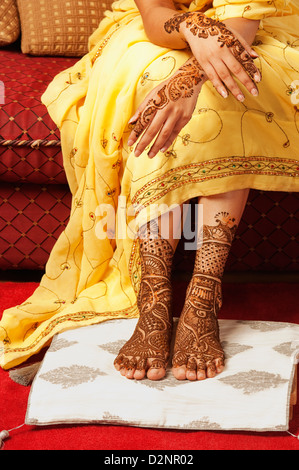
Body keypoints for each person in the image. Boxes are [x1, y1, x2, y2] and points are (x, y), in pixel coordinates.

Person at [0, 0, 298, 383]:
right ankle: (153, 300)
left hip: (262, 29)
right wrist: (193, 27)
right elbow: (155, 15)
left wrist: (191, 79)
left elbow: (240, 25)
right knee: (155, 76)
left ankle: (203, 298)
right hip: (159, 34)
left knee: (227, 90)